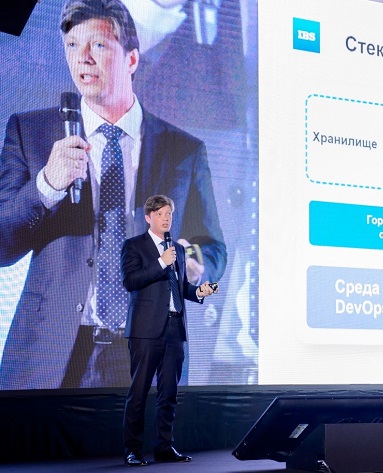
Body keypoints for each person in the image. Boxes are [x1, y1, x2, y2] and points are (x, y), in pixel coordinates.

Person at [0, 0, 226, 390]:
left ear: (132, 59)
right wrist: (47, 185)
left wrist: (192, 260)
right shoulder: (30, 132)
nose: (82, 58)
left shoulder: (183, 149)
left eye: (99, 45)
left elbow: (214, 249)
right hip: (49, 356)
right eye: (72, 45)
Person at [122, 194, 216, 466]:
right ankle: (133, 450)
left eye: (169, 214)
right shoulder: (134, 246)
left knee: (169, 393)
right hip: (145, 330)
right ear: (148, 217)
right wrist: (161, 262)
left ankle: (164, 447)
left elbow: (179, 286)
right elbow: (130, 281)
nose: (166, 219)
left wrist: (198, 292)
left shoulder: (178, 250)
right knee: (139, 392)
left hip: (175, 327)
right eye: (160, 214)